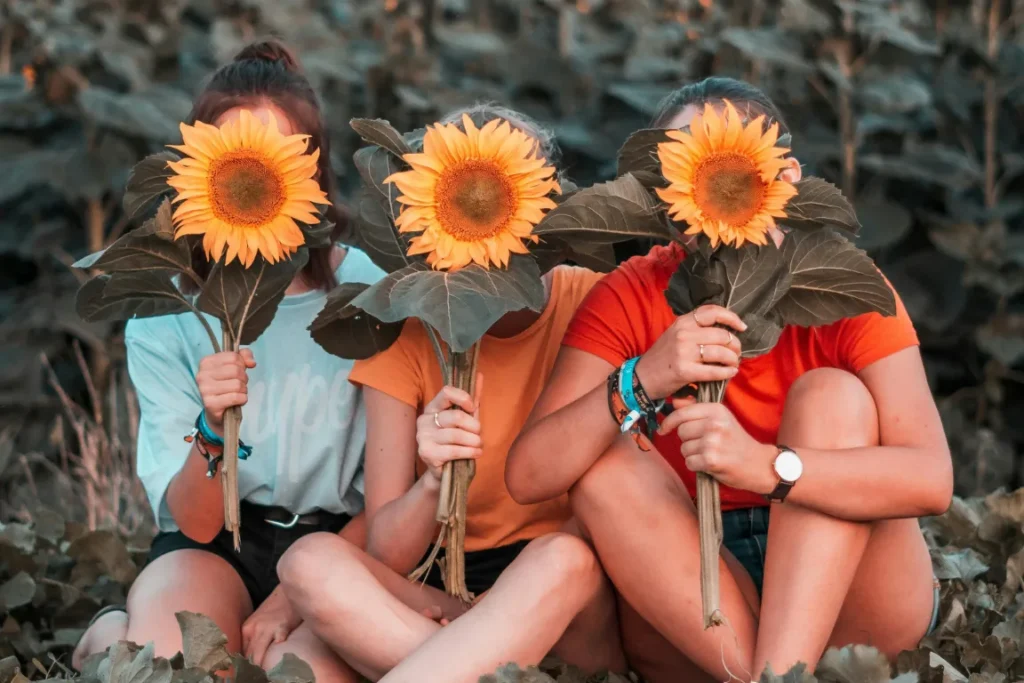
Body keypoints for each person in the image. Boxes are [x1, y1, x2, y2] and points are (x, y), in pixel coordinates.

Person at [506, 77, 953, 682]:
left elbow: (931, 479)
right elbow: (530, 474)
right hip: (700, 585)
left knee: (832, 395)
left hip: (858, 589)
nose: (704, 189)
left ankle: (770, 673)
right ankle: (774, 676)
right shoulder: (634, 291)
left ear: (785, 178)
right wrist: (645, 377)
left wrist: (764, 467)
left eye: (723, 165)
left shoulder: (840, 284)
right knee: (603, 459)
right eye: (679, 171)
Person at [276, 105, 626, 683]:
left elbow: (627, 496)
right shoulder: (407, 332)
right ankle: (473, 664)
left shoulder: (594, 301)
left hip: (564, 596)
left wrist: (500, 614)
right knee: (307, 562)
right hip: (439, 590)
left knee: (563, 561)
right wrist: (433, 482)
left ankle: (456, 659)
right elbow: (387, 550)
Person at [72, 40, 383, 682]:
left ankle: (119, 636)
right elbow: (194, 518)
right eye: (235, 161)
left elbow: (388, 499)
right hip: (210, 547)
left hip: (336, 548)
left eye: (277, 159)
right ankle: (112, 638)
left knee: (298, 675)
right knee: (170, 668)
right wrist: (214, 426)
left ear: (311, 171)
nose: (252, 177)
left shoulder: (365, 293)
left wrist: (286, 598)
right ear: (198, 169)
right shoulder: (167, 309)